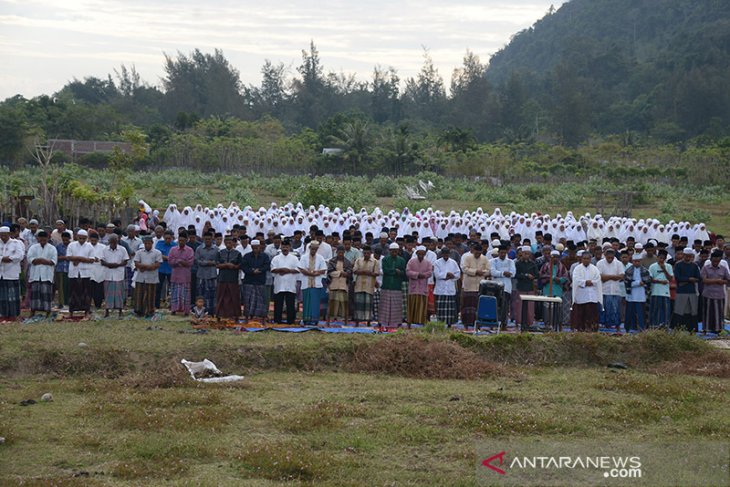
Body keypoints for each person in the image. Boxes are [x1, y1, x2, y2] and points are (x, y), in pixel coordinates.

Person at [27, 230, 57, 319]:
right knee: (35, 294)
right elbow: (30, 259)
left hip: (47, 275)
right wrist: (43, 261)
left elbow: (53, 261)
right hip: (35, 274)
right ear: (38, 238)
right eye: (41, 238)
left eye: (45, 238)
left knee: (46, 294)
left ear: (48, 238)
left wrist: (40, 260)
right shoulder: (33, 247)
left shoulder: (52, 248)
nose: (43, 239)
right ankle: (33, 311)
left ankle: (48, 312)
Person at [66, 230, 95, 319]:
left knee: (86, 293)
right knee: (72, 292)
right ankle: (71, 312)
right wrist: (80, 258)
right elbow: (68, 257)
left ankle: (86, 311)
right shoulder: (71, 245)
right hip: (74, 272)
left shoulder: (90, 246)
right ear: (76, 237)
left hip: (85, 273)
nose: (81, 240)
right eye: (80, 238)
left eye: (83, 238)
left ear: (86, 238)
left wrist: (79, 259)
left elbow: (92, 260)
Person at [571, 251, 603, 332]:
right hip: (581, 295)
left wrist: (591, 282)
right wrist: (585, 282)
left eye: (588, 259)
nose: (586, 260)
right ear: (581, 259)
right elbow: (576, 279)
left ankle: (591, 329)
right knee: (581, 314)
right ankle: (580, 330)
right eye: (584, 259)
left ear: (590, 259)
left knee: (592, 314)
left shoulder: (595, 269)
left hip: (592, 296)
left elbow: (597, 279)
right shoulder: (577, 269)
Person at [700, 250, 730, 334]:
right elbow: (704, 280)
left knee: (718, 313)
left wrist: (722, 282)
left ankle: (718, 329)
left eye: (718, 261)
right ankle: (706, 329)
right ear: (711, 260)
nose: (716, 262)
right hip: (708, 293)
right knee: (707, 312)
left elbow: (728, 279)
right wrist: (716, 281)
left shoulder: (723, 269)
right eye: (714, 261)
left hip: (719, 294)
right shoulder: (706, 267)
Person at [270, 239, 300, 325]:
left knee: (290, 304)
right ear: (281, 247)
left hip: (290, 284)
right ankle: (277, 320)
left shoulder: (294, 258)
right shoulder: (276, 258)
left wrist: (288, 270)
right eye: (283, 247)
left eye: (287, 247)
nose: (285, 248)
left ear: (290, 247)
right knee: (278, 304)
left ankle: (291, 321)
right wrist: (281, 270)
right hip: (279, 284)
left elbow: (298, 270)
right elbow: (273, 269)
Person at [298, 241, 327, 325]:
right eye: (312, 249)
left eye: (315, 249)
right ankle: (306, 319)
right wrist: (310, 274)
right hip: (306, 283)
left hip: (316, 284)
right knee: (307, 302)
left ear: (317, 249)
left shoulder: (320, 258)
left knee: (315, 302)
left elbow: (323, 269)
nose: (313, 250)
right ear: (310, 248)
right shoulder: (304, 257)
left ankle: (315, 320)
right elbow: (301, 269)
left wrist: (316, 273)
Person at [241, 239, 271, 323]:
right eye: (253, 248)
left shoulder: (265, 256)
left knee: (261, 301)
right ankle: (247, 318)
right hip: (249, 281)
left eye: (257, 248)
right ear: (251, 247)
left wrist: (259, 270)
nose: (255, 249)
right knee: (248, 301)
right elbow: (244, 266)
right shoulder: (247, 256)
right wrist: (252, 271)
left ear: (260, 247)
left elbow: (267, 266)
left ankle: (261, 318)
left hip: (260, 281)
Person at [672, 248, 701, 332]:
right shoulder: (678, 265)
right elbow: (678, 278)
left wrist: (690, 280)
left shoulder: (694, 265)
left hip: (692, 291)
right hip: (681, 291)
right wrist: (689, 279)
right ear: (683, 255)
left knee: (692, 311)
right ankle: (677, 329)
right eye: (686, 256)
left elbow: (698, 277)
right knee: (679, 310)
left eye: (689, 256)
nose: (688, 258)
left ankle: (691, 329)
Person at [461, 244, 490, 328]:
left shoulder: (484, 258)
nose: (477, 255)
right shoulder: (467, 258)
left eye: (479, 253)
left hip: (480, 286)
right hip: (469, 286)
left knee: (478, 307)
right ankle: (466, 324)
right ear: (473, 251)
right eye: (476, 253)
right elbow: (464, 269)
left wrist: (482, 272)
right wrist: (475, 271)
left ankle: (478, 324)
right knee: (467, 306)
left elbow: (488, 270)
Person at [133, 236, 163, 317]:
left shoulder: (157, 252)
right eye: (145, 243)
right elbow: (136, 263)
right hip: (141, 277)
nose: (147, 245)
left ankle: (150, 311)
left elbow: (157, 265)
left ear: (152, 243)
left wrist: (145, 267)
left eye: (149, 243)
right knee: (139, 295)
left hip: (152, 277)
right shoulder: (139, 252)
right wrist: (148, 267)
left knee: (150, 295)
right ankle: (139, 311)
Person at [100, 234, 129, 318]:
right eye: (111, 242)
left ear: (117, 241)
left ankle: (120, 311)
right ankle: (107, 311)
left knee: (119, 294)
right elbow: (102, 261)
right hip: (108, 274)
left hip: (118, 274)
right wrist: (109, 264)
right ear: (109, 242)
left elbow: (125, 261)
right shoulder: (105, 249)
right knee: (108, 294)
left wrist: (118, 265)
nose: (113, 244)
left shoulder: (122, 249)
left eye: (115, 242)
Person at [379, 243, 406, 327]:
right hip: (386, 285)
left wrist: (399, 272)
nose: (394, 253)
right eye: (392, 251)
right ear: (389, 251)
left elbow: (403, 272)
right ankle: (382, 321)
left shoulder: (401, 260)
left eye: (396, 251)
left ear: (398, 251)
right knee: (384, 305)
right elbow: (385, 270)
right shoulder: (385, 259)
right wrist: (395, 271)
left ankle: (396, 322)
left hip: (396, 286)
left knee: (396, 305)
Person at [597, 248, 625, 330]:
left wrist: (608, 277)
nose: (610, 259)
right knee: (604, 308)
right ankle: (603, 323)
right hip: (604, 290)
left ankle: (614, 324)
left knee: (615, 309)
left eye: (611, 257)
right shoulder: (600, 263)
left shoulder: (618, 263)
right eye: (608, 257)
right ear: (605, 255)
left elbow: (621, 276)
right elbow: (600, 277)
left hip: (615, 291)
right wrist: (613, 277)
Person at [216, 236, 243, 320]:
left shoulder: (238, 253)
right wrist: (226, 265)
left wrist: (233, 266)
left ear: (233, 243)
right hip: (222, 278)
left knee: (233, 297)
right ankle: (220, 314)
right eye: (227, 242)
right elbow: (217, 264)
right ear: (224, 242)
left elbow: (240, 265)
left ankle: (235, 315)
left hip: (233, 279)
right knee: (221, 296)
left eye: (230, 242)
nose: (228, 244)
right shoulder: (220, 252)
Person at [168, 230, 195, 316]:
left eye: (183, 240)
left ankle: (186, 311)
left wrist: (180, 261)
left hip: (185, 276)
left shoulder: (190, 250)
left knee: (185, 295)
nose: (181, 242)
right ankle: (174, 310)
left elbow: (190, 263)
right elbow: (170, 261)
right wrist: (180, 261)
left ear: (186, 240)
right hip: (175, 276)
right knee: (175, 294)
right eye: (180, 240)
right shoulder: (173, 249)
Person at [352, 245, 380, 326]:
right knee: (358, 304)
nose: (366, 254)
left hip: (369, 285)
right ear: (363, 253)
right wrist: (363, 272)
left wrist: (370, 273)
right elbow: (354, 270)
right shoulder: (358, 260)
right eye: (365, 253)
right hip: (359, 285)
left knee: (368, 305)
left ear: (371, 253)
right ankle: (357, 322)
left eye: (368, 253)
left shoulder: (375, 262)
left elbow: (377, 273)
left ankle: (368, 322)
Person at [433, 247, 460, 326]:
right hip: (440, 289)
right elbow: (437, 275)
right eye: (444, 254)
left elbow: (458, 274)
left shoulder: (453, 262)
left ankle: (449, 325)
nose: (446, 255)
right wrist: (446, 275)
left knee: (450, 309)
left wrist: (452, 276)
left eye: (447, 254)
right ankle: (440, 324)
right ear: (442, 254)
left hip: (450, 288)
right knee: (441, 309)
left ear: (449, 254)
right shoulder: (437, 262)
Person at [406, 245, 433, 326]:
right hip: (413, 288)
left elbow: (430, 272)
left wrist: (423, 275)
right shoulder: (411, 261)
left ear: (424, 254)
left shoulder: (428, 263)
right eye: (419, 254)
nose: (421, 256)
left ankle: (421, 322)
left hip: (422, 288)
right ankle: (410, 322)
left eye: (422, 254)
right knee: (412, 306)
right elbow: (408, 271)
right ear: (417, 253)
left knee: (422, 306)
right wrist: (417, 275)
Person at [624, 254, 651, 332]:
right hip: (631, 296)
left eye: (638, 261)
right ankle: (627, 329)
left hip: (641, 295)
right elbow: (627, 283)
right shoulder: (628, 270)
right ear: (632, 261)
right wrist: (638, 283)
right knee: (629, 314)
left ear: (641, 261)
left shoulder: (645, 271)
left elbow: (648, 283)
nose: (636, 263)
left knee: (641, 314)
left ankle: (642, 329)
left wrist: (635, 283)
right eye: (635, 261)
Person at [490, 245, 516, 328]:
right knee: (495, 306)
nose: (503, 254)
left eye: (504, 252)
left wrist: (501, 273)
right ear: (498, 253)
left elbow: (513, 273)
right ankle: (493, 323)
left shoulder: (510, 262)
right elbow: (493, 272)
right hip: (495, 287)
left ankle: (504, 324)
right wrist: (503, 273)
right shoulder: (493, 261)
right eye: (501, 252)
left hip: (506, 287)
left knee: (505, 306)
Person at [194, 232, 219, 315]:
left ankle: (212, 311)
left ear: (212, 239)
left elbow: (217, 261)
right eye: (206, 239)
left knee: (212, 294)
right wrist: (207, 262)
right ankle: (200, 312)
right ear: (203, 239)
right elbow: (197, 261)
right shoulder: (199, 249)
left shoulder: (216, 249)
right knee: (201, 294)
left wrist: (209, 262)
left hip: (212, 275)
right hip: (201, 275)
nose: (207, 241)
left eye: (209, 239)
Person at [327, 245, 353, 325]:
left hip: (343, 285)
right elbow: (330, 273)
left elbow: (349, 274)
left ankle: (345, 321)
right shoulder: (332, 261)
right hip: (334, 285)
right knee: (331, 304)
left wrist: (343, 274)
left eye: (342, 252)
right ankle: (328, 322)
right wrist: (341, 273)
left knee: (344, 304)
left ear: (344, 253)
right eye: (339, 252)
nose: (340, 254)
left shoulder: (347, 262)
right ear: (337, 252)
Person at [514, 245, 539, 327]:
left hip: (530, 287)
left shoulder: (533, 264)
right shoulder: (518, 264)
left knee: (530, 306)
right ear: (522, 254)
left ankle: (530, 322)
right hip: (521, 287)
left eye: (528, 254)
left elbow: (537, 274)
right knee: (520, 306)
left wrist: (532, 276)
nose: (526, 255)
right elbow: (516, 275)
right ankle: (519, 322)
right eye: (525, 254)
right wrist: (525, 275)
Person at [648, 249, 673, 328]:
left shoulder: (668, 266)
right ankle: (653, 326)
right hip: (655, 291)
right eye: (660, 258)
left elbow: (670, 279)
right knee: (655, 310)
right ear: (657, 257)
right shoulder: (652, 266)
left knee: (666, 310)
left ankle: (665, 326)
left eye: (663, 258)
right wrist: (660, 282)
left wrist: (664, 269)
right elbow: (650, 279)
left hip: (665, 292)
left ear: (665, 259)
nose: (661, 260)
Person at [154, 230, 175, 309]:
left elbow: (175, 256)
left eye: (169, 238)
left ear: (172, 238)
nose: (167, 240)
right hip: (161, 269)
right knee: (158, 288)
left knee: (172, 288)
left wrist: (165, 257)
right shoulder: (159, 243)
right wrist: (168, 257)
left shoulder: (174, 245)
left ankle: (172, 305)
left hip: (171, 270)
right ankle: (156, 305)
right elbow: (158, 254)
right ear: (164, 237)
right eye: (166, 238)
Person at [88, 232, 106, 310]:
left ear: (98, 240)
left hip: (99, 270)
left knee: (98, 289)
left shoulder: (103, 247)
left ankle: (98, 305)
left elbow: (105, 258)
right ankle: (88, 305)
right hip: (89, 270)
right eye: (92, 240)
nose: (93, 242)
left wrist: (99, 259)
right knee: (89, 289)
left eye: (95, 241)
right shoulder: (86, 246)